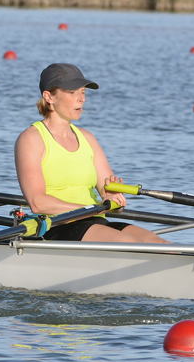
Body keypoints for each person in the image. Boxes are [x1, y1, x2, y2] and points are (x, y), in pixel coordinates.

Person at [13, 63, 164, 243]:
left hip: (94, 220)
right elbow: (38, 202)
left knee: (159, 243)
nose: (81, 99)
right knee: (127, 243)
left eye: (83, 92)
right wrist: (90, 207)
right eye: (72, 92)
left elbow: (108, 196)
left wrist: (114, 200)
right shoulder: (31, 139)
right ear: (49, 97)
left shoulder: (88, 138)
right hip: (56, 225)